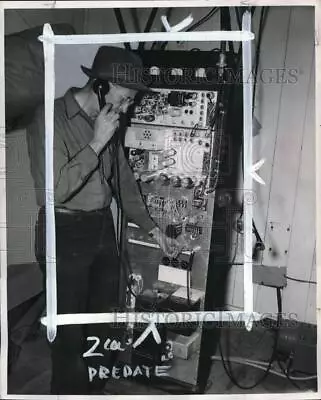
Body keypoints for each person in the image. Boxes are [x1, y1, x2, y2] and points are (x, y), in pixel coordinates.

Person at [26, 46, 178, 395]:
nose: (126, 109)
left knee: (103, 323)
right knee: (69, 333)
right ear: (99, 85)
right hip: (63, 232)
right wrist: (96, 141)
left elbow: (122, 180)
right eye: (124, 99)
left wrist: (152, 227)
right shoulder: (49, 119)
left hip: (100, 230)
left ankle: (92, 389)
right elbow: (55, 191)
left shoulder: (109, 120)